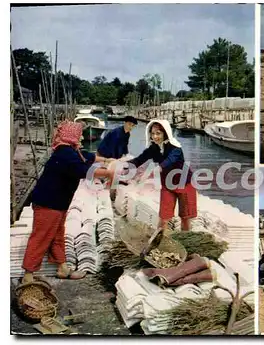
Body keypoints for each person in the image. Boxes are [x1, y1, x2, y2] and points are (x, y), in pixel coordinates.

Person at [21, 121, 113, 284]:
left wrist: (107, 160)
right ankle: (28, 275)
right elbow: (84, 171)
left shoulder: (70, 150)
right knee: (41, 237)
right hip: (48, 204)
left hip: (58, 203)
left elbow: (88, 157)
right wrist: (110, 172)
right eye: (79, 134)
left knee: (57, 236)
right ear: (72, 135)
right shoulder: (65, 154)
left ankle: (62, 268)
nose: (82, 137)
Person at [125, 120, 197, 232]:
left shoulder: (175, 148)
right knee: (164, 218)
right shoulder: (153, 148)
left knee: (185, 217)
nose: (155, 136)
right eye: (153, 134)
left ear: (165, 133)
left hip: (184, 183)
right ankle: (160, 241)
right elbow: (140, 159)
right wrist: (126, 165)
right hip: (168, 185)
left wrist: (159, 168)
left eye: (158, 133)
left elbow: (170, 160)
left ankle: (185, 239)